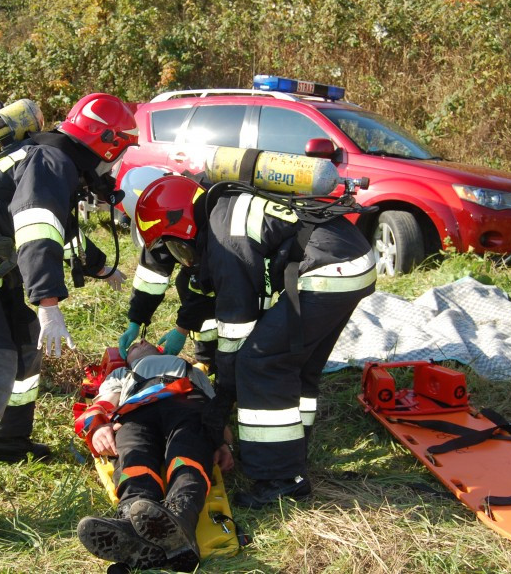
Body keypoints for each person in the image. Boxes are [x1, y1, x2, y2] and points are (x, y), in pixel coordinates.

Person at [0, 92, 135, 531]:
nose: (118, 163)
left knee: (23, 348)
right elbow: (36, 228)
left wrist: (101, 266)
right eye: (121, 150)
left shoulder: (55, 159)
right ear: (108, 143)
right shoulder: (53, 163)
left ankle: (9, 441)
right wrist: (48, 304)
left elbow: (56, 232)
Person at [134, 176, 376, 508]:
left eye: (178, 246)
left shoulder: (224, 238)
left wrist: (223, 399)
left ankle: (279, 478)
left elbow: (238, 323)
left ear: (186, 222)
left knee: (260, 362)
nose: (182, 258)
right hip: (353, 260)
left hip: (328, 270)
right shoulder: (221, 211)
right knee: (295, 362)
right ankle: (292, 449)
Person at [75, 340, 233, 571]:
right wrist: (99, 427)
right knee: (134, 460)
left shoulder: (189, 368)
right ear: (128, 359)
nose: (141, 340)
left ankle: (181, 515)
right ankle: (133, 520)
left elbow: (215, 408)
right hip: (136, 412)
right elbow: (104, 402)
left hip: (187, 404)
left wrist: (223, 442)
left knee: (187, 456)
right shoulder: (122, 373)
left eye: (143, 341)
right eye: (132, 346)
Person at [115, 167, 217, 369]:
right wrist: (136, 320)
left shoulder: (206, 201)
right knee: (185, 283)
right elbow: (152, 272)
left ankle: (215, 359)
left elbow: (208, 278)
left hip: (229, 265)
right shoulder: (164, 211)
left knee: (193, 287)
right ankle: (207, 358)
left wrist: (182, 329)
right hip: (204, 265)